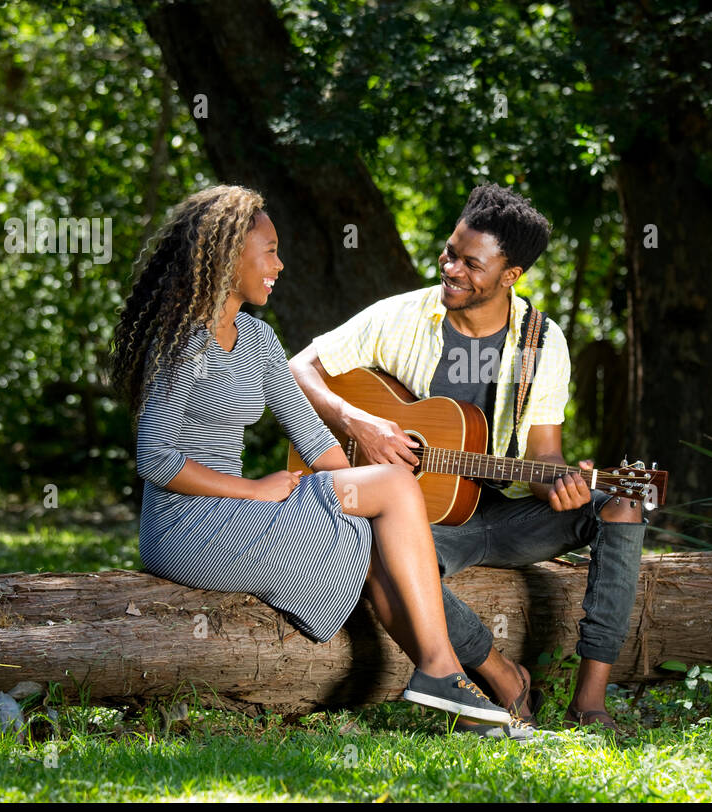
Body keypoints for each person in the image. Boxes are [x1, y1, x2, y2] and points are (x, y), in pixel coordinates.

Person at [108, 184, 512, 729]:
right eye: (269, 250)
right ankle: (447, 675)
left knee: (386, 502)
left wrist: (370, 499)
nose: (280, 263)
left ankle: (444, 678)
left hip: (237, 514)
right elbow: (156, 460)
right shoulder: (181, 340)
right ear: (228, 257)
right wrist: (256, 489)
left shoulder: (257, 339)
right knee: (389, 495)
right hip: (182, 528)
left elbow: (317, 443)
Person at [290, 182, 648, 737]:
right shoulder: (402, 316)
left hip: (501, 514)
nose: (450, 267)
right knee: (373, 562)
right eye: (450, 252)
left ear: (511, 275)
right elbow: (297, 368)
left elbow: (544, 456)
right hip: (424, 523)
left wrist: (559, 484)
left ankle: (590, 700)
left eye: (469, 262)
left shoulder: (542, 343)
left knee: (621, 509)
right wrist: (355, 420)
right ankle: (504, 677)